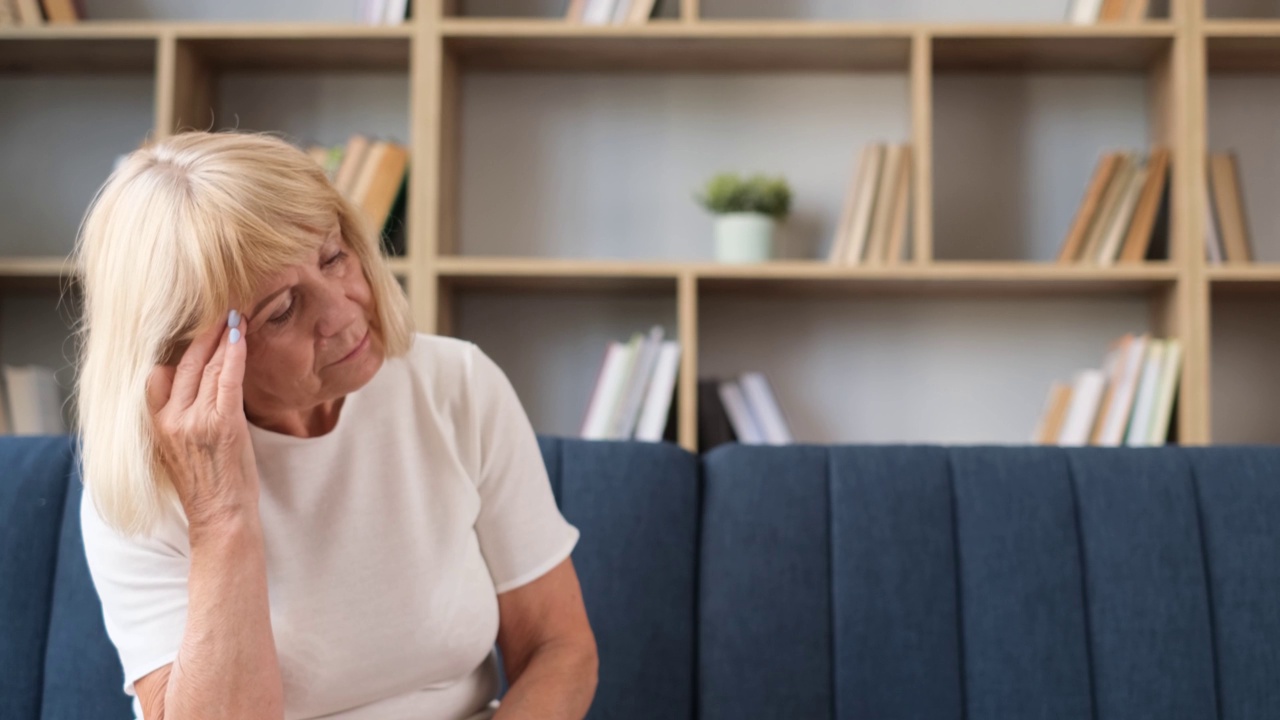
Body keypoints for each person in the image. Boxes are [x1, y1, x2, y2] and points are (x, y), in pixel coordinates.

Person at [72, 130, 598, 720]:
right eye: (282, 311)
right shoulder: (137, 491)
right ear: (182, 358)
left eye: (333, 257)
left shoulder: (458, 384)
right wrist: (222, 519)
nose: (345, 310)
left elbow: (560, 648)